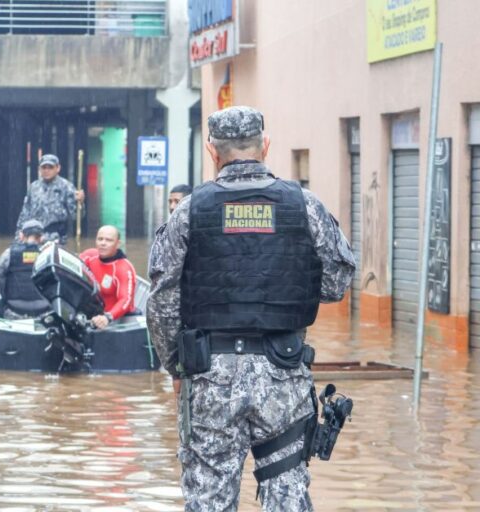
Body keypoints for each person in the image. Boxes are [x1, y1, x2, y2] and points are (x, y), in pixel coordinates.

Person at [147, 106, 356, 511]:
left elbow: (161, 301)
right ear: (265, 146)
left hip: (209, 374)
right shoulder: (304, 205)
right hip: (283, 371)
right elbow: (336, 284)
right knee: (286, 495)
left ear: (212, 151)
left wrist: (175, 367)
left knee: (209, 496)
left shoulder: (188, 211)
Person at [16, 153, 85, 244]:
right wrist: (19, 232)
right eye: (44, 167)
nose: (47, 170)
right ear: (39, 169)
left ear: (58, 168)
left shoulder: (67, 187)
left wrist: (80, 202)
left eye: (50, 167)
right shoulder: (33, 187)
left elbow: (76, 216)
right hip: (34, 235)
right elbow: (25, 212)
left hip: (56, 236)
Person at [79, 225, 136, 329]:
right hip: (93, 314)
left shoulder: (123, 268)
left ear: (118, 244)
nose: (103, 243)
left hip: (115, 320)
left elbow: (125, 300)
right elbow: (69, 265)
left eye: (108, 240)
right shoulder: (90, 256)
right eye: (100, 239)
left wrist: (107, 317)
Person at [0, 219, 50, 318]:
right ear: (41, 238)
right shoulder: (48, 255)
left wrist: (3, 294)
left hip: (14, 307)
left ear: (21, 236)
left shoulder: (9, 254)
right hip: (43, 308)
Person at [149, 183, 192, 271]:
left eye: (177, 201)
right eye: (170, 202)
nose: (172, 206)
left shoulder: (193, 230)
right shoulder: (163, 231)